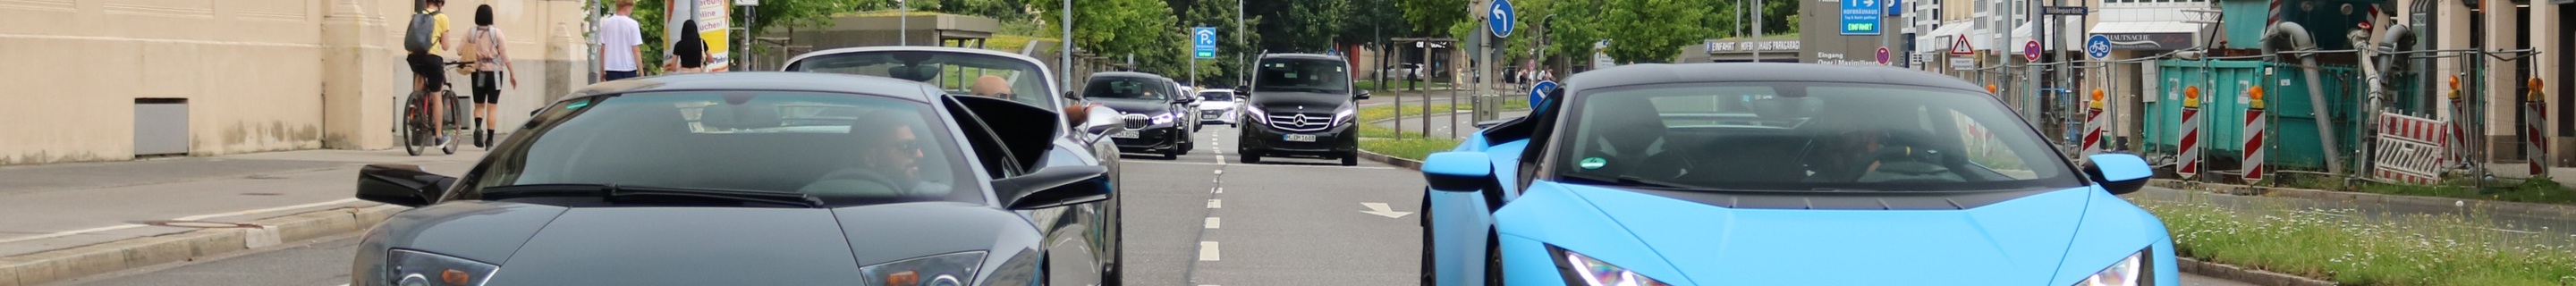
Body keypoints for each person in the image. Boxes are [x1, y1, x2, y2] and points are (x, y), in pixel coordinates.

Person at [803, 111, 934, 198]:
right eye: (906, 146)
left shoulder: (935, 199)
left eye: (917, 145)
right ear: (870, 158)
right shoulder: (808, 199)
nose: (919, 155)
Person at [462, 4, 518, 148]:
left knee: (479, 105)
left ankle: (478, 127)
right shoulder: (497, 33)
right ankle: (490, 140)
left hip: (478, 72)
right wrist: (512, 73)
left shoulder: (471, 33)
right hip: (495, 74)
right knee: (492, 108)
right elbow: (505, 56)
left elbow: (459, 50)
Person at [404, 0, 453, 146]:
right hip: (432, 58)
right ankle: (439, 136)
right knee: (436, 94)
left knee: (419, 73)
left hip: (413, 57)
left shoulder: (416, 16)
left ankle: (415, 105)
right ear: (440, 3)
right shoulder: (442, 18)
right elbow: (445, 46)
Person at [597, 0, 643, 81]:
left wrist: (602, 70)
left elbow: (603, 49)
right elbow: (636, 50)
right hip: (629, 68)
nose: (631, 12)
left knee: (612, 93)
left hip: (611, 68)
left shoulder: (607, 23)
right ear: (627, 8)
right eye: (631, 9)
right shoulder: (632, 24)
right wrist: (641, 71)